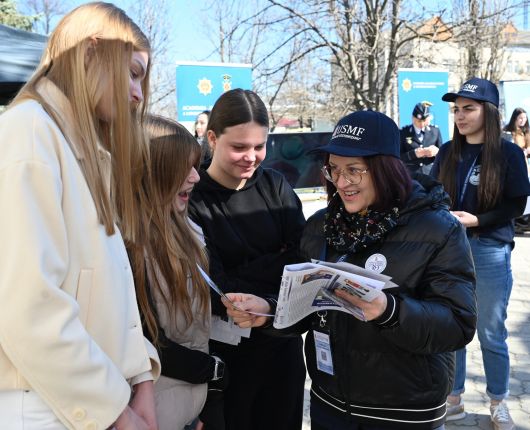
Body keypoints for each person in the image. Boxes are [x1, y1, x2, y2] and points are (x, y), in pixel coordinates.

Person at [222, 109, 477, 430]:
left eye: (354, 170)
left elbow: (457, 325)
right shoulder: (319, 227)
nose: (342, 182)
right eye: (333, 170)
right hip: (330, 404)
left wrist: (390, 310)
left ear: (388, 169)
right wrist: (269, 312)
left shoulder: (437, 229)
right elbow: (309, 308)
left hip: (404, 410)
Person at [0, 3, 160, 430]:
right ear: (92, 52)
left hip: (83, 400)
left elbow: (107, 290)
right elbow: (27, 307)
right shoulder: (29, 131)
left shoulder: (82, 151)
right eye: (132, 73)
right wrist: (117, 413)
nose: (138, 94)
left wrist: (141, 377)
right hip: (45, 404)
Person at [188, 88, 307, 430]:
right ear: (212, 137)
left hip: (281, 348)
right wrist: (276, 262)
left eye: (259, 146)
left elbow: (303, 264)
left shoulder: (275, 185)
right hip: (225, 359)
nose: (251, 157)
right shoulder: (193, 198)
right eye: (239, 147)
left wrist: (246, 280)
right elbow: (212, 287)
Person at [431, 77, 530, 430]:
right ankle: (452, 398)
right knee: (452, 326)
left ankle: (498, 400)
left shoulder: (508, 152)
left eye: (468, 108)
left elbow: (517, 203)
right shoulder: (447, 152)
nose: (460, 115)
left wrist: (478, 220)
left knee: (490, 331)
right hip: (448, 251)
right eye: (456, 109)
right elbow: (430, 194)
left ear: (488, 112)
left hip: (489, 249)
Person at [128, 115, 226, 430]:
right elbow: (146, 341)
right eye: (184, 167)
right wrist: (213, 370)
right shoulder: (129, 246)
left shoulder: (183, 227)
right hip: (155, 415)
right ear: (151, 171)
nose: (196, 177)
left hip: (189, 409)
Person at [400, 101, 443, 175]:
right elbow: (398, 157)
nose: (422, 124)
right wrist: (414, 154)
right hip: (411, 176)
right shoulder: (403, 132)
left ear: (429, 118)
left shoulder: (435, 131)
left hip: (430, 175)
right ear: (413, 118)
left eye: (425, 121)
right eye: (419, 121)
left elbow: (443, 155)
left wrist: (436, 152)